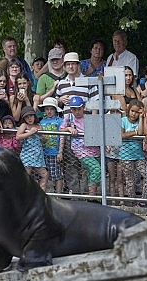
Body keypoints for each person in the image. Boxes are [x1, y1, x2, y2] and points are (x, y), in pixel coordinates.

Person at [55, 52, 100, 194]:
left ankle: (87, 194)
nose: (71, 66)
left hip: (86, 128)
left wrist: (92, 127)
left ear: (78, 65)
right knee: (70, 164)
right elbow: (56, 105)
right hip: (68, 127)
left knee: (89, 165)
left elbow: (95, 104)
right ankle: (75, 194)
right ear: (64, 66)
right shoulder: (61, 84)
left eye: (73, 63)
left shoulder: (89, 80)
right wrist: (60, 100)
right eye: (68, 64)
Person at [59, 96, 100, 196]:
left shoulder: (89, 118)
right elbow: (61, 130)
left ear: (83, 107)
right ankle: (91, 195)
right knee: (96, 168)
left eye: (79, 109)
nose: (77, 111)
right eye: (74, 109)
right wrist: (69, 128)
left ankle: (92, 196)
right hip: (80, 150)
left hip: (93, 148)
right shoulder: (68, 118)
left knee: (92, 172)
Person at [119, 99, 146, 204]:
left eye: (137, 112)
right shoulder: (123, 120)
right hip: (125, 155)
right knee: (129, 180)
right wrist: (134, 132)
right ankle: (133, 202)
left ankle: (144, 200)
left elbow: (143, 132)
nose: (134, 114)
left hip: (139, 155)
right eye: (132, 111)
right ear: (129, 110)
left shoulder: (141, 120)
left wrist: (142, 118)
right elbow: (121, 135)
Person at [16, 106, 48, 191]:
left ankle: (41, 194)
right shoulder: (24, 125)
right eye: (26, 117)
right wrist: (30, 132)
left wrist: (42, 137)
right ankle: (24, 198)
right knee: (26, 178)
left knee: (45, 175)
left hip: (38, 156)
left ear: (34, 116)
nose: (29, 118)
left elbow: (44, 140)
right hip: (27, 156)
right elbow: (18, 137)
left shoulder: (38, 125)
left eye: (31, 116)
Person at [39, 97, 64, 193]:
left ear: (55, 110)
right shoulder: (41, 122)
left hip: (55, 152)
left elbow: (62, 136)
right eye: (47, 109)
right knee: (45, 175)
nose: (49, 111)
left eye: (51, 109)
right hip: (44, 152)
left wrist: (60, 152)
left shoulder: (59, 120)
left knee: (57, 175)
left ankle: (58, 195)